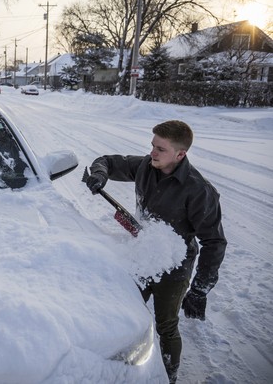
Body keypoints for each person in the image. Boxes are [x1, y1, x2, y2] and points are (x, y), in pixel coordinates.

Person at [85, 120, 226, 383]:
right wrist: (100, 175)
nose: (152, 153)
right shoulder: (145, 167)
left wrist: (199, 289)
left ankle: (169, 376)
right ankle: (118, 367)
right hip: (142, 258)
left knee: (166, 326)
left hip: (174, 270)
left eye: (160, 149)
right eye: (152, 146)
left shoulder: (199, 191)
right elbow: (107, 161)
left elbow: (215, 242)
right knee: (121, 310)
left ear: (180, 154)